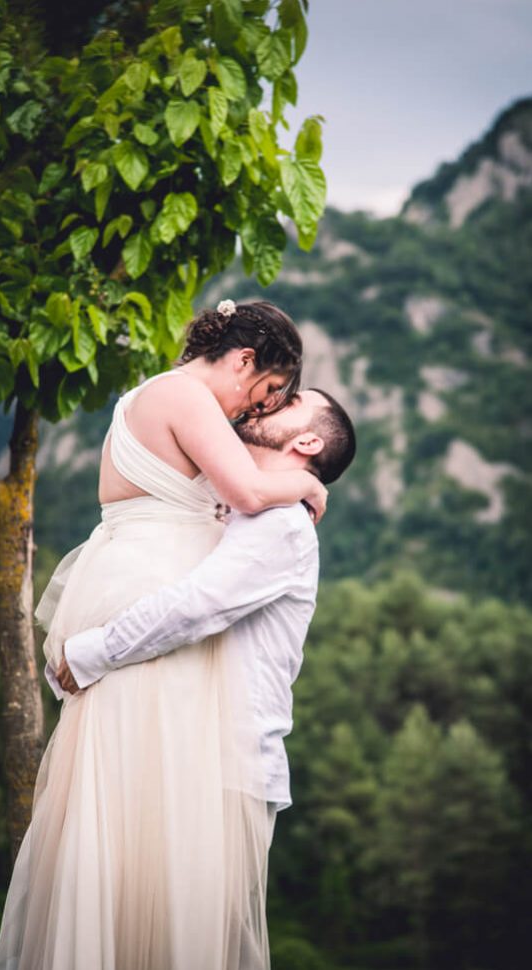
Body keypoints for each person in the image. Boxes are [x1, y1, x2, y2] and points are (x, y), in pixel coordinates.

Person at [0, 300, 328, 970]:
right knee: (144, 804)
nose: (248, 412)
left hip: (132, 594)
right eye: (262, 391)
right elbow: (241, 492)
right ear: (241, 360)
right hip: (145, 605)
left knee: (131, 805)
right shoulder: (186, 395)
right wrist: (303, 483)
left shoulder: (164, 397)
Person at [54, 388, 356, 962]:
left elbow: (196, 606)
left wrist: (89, 653)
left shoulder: (284, 526)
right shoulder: (236, 508)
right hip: (182, 752)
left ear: (309, 441)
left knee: (193, 945)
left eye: (288, 402)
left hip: (229, 767)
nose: (265, 404)